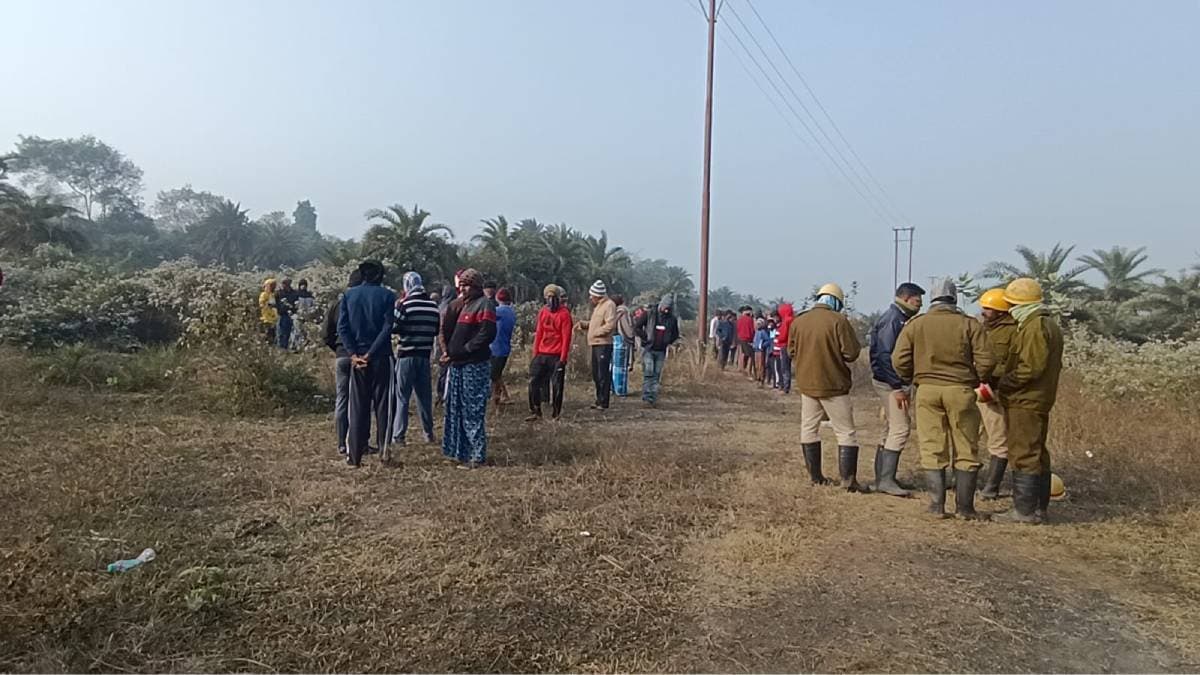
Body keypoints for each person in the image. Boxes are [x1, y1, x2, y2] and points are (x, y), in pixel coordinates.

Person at [892, 279, 996, 519]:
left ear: (932, 300)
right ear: (954, 299)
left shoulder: (916, 324)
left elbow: (899, 360)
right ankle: (965, 509)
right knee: (966, 447)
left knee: (932, 447)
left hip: (927, 390)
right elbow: (987, 361)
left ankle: (936, 506)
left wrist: (913, 376)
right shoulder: (969, 324)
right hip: (960, 390)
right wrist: (977, 378)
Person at [993, 277, 1063, 524]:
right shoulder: (1046, 324)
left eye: (1011, 305)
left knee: (1023, 453)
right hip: (1037, 399)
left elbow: (1030, 368)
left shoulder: (1034, 327)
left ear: (1021, 305)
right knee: (1037, 454)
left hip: (1025, 400)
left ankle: (1024, 512)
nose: (1009, 310)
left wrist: (1005, 382)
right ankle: (1038, 510)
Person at [788, 284, 862, 489]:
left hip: (807, 385)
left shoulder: (799, 321)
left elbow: (791, 351)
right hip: (834, 385)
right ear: (836, 301)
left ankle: (816, 477)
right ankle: (848, 480)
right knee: (845, 432)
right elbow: (851, 353)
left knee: (809, 429)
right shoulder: (839, 320)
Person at [867, 282, 926, 497]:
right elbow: (885, 355)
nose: (920, 305)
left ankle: (883, 478)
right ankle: (886, 480)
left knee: (891, 428)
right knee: (900, 429)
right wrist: (897, 386)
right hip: (890, 383)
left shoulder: (899, 318)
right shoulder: (893, 320)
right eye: (917, 301)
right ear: (906, 298)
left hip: (891, 382)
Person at [337, 260, 396, 468]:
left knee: (357, 407)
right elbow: (388, 327)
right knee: (384, 406)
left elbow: (342, 328)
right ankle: (384, 453)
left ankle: (354, 457)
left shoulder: (348, 295)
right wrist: (371, 353)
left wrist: (354, 354)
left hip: (357, 360)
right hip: (381, 357)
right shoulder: (388, 296)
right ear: (380, 276)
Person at [441, 269, 497, 467]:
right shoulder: (461, 305)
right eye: (462, 285)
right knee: (455, 409)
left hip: (474, 364)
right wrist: (449, 352)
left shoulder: (484, 304)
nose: (463, 289)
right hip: (458, 364)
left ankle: (477, 455)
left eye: (467, 285)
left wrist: (466, 349)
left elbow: (486, 334)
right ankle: (460, 452)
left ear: (476, 287)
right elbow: (446, 331)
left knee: (472, 410)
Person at [977, 288, 1018, 500]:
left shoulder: (1014, 332)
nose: (983, 312)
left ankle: (991, 487)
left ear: (1001, 311)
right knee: (968, 436)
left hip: (996, 392)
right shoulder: (983, 328)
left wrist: (993, 382)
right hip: (979, 390)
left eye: (988, 308)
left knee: (998, 439)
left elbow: (1011, 364)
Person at [391, 271, 440, 447]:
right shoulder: (433, 306)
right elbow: (436, 330)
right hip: (424, 356)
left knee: (402, 397)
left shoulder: (404, 305)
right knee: (424, 397)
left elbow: (394, 327)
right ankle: (428, 433)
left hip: (406, 355)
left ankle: (399, 436)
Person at [322, 269, 362, 456]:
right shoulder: (361, 303)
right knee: (359, 400)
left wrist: (337, 348)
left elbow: (325, 334)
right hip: (359, 356)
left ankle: (341, 443)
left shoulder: (336, 304)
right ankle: (358, 442)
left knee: (342, 399)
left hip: (341, 355)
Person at [527, 284, 573, 421]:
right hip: (542, 354)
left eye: (554, 297)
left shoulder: (564, 314)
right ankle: (535, 411)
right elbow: (539, 333)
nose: (551, 300)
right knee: (533, 383)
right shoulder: (543, 312)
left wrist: (563, 359)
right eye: (549, 297)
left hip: (557, 355)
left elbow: (566, 338)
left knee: (557, 385)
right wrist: (535, 354)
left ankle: (556, 414)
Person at [576, 280, 617, 410]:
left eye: (592, 295)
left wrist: (596, 333)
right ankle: (599, 399)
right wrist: (584, 324)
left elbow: (610, 325)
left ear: (597, 295)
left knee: (602, 373)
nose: (590, 298)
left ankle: (604, 401)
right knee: (596, 373)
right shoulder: (598, 306)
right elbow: (595, 324)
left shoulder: (609, 305)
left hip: (603, 344)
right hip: (595, 344)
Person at [635, 294, 680, 406]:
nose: (666, 310)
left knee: (656, 375)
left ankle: (653, 398)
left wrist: (668, 341)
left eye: (668, 309)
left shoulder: (672, 319)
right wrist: (645, 337)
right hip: (649, 348)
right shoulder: (649, 314)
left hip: (661, 350)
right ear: (661, 305)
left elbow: (675, 334)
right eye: (665, 308)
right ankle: (646, 397)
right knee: (648, 373)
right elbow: (637, 327)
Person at [490, 287, 516, 405]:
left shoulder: (497, 311)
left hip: (495, 348)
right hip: (505, 347)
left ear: (497, 298)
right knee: (497, 373)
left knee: (494, 376)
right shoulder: (511, 312)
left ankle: (496, 398)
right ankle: (505, 396)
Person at [612, 293, 635, 397]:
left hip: (621, 342)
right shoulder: (622, 311)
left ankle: (619, 390)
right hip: (619, 341)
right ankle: (618, 389)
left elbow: (628, 330)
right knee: (618, 367)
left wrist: (630, 338)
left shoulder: (622, 312)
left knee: (619, 367)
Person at [774, 303, 796, 394]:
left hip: (784, 345)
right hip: (792, 345)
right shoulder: (793, 320)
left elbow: (783, 335)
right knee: (789, 366)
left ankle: (786, 387)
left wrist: (778, 339)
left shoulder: (786, 321)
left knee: (784, 367)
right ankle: (787, 385)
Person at [275, 278, 299, 350]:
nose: (284, 285)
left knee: (290, 333)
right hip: (282, 315)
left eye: (285, 283)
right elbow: (276, 303)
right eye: (283, 283)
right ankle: (281, 349)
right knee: (281, 333)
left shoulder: (294, 293)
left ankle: (288, 348)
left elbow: (296, 304)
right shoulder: (279, 293)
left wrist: (293, 309)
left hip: (291, 316)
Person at [292, 279, 316, 350]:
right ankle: (295, 346)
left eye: (305, 285)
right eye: (302, 285)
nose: (303, 286)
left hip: (307, 316)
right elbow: (293, 306)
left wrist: (312, 312)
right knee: (297, 331)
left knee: (306, 332)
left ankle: (304, 347)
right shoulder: (296, 295)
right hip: (298, 316)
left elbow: (313, 305)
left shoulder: (310, 295)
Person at [752, 317, 772, 387]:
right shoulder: (757, 332)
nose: (757, 325)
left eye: (759, 324)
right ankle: (757, 378)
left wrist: (762, 346)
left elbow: (768, 341)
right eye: (757, 324)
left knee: (761, 365)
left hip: (761, 351)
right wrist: (754, 345)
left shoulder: (763, 332)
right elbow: (754, 340)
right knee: (757, 365)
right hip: (756, 350)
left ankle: (761, 379)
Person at [736, 306, 755, 375]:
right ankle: (747, 370)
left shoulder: (739, 319)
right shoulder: (750, 319)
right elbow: (752, 330)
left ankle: (741, 368)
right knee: (750, 355)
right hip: (747, 339)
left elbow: (737, 329)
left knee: (742, 354)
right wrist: (752, 339)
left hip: (740, 338)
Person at [258, 279, 278, 345]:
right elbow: (262, 304)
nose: (273, 287)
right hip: (266, 318)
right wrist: (267, 304)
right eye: (271, 286)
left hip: (274, 318)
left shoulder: (273, 295)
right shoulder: (264, 294)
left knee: (274, 335)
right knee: (268, 334)